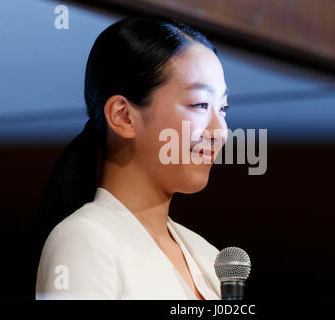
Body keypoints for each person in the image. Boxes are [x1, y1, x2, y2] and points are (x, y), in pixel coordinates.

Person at [33, 14, 229, 299]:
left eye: (222, 108)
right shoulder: (84, 241)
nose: (220, 130)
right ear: (123, 116)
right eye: (200, 104)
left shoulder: (209, 257)